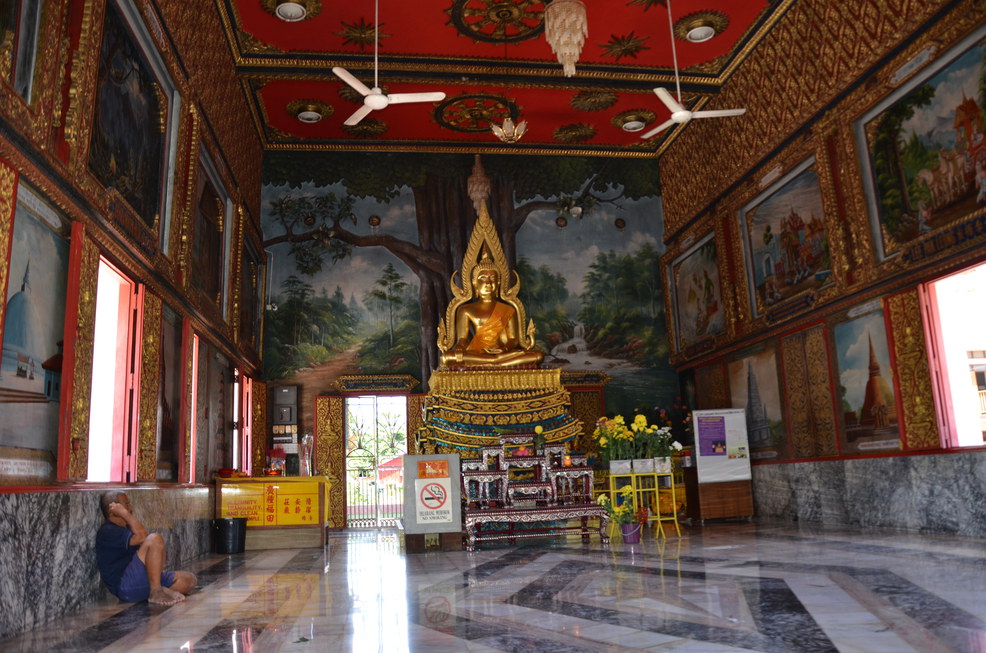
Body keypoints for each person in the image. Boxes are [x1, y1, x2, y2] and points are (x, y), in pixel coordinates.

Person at [96, 491, 197, 606]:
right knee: (155, 539)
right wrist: (124, 513)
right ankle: (156, 591)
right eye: (126, 504)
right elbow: (144, 537)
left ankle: (158, 589)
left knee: (189, 580)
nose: (130, 508)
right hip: (126, 586)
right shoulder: (108, 531)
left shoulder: (125, 529)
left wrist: (125, 513)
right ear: (113, 509)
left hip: (143, 580)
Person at [440, 259, 543, 369]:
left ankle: (494, 361)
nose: (488, 283)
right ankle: (495, 362)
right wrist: (460, 346)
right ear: (474, 283)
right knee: (447, 357)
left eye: (493, 278)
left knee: (537, 355)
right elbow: (462, 339)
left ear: (498, 283)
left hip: (502, 353)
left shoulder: (507, 309)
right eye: (483, 278)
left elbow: (513, 339)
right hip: (477, 354)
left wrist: (504, 348)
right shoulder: (465, 310)